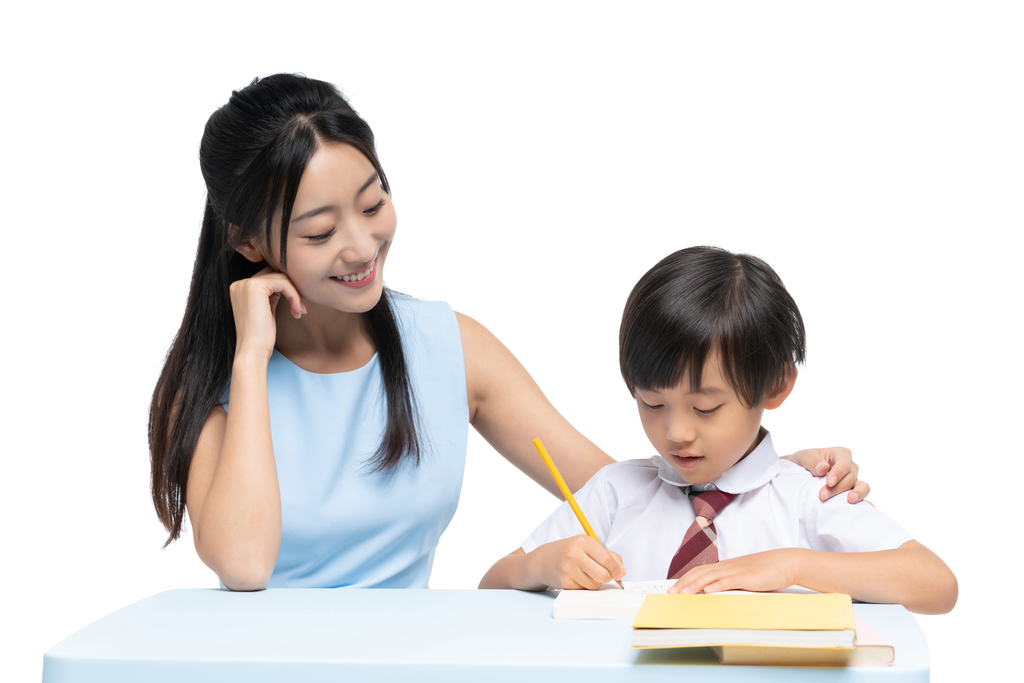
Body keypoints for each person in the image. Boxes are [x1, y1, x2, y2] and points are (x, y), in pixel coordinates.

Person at [149, 74, 869, 592]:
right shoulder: (215, 377)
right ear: (247, 241)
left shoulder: (446, 346)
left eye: (374, 203)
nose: (363, 245)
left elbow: (618, 493)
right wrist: (251, 358)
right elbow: (243, 566)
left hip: (404, 661)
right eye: (320, 229)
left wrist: (761, 473)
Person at [480, 247, 957, 614]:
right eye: (653, 402)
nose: (676, 432)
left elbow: (936, 583)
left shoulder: (807, 497)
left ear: (776, 385)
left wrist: (791, 564)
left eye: (706, 407)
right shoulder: (613, 493)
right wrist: (538, 566)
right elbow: (489, 589)